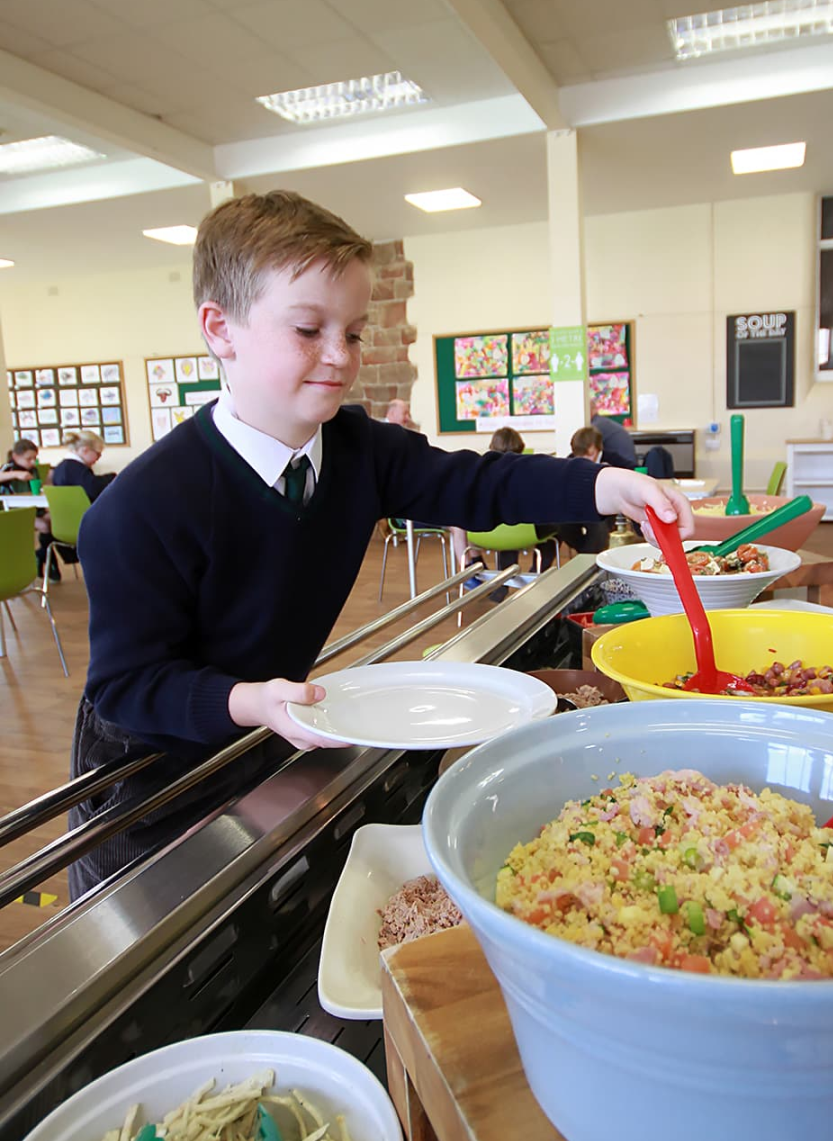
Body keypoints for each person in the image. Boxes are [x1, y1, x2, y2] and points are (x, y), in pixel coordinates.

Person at [69, 190, 691, 898]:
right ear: (221, 328)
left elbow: (478, 483)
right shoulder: (139, 509)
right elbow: (129, 685)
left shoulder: (358, 449)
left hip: (270, 717)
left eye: (355, 332)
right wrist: (249, 700)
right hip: (148, 770)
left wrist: (604, 486)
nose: (340, 356)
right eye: (308, 329)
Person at [1, 439, 59, 580]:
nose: (32, 462)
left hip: (35, 509)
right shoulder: (9, 468)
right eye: (28, 458)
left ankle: (41, 556)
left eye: (34, 458)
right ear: (16, 456)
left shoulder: (33, 470)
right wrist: (15, 474)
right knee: (44, 526)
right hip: (15, 512)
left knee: (57, 520)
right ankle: (47, 561)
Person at [51, 430, 111, 502]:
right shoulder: (76, 469)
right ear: (85, 450)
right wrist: (113, 477)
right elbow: (95, 490)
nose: (98, 458)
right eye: (98, 454)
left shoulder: (61, 467)